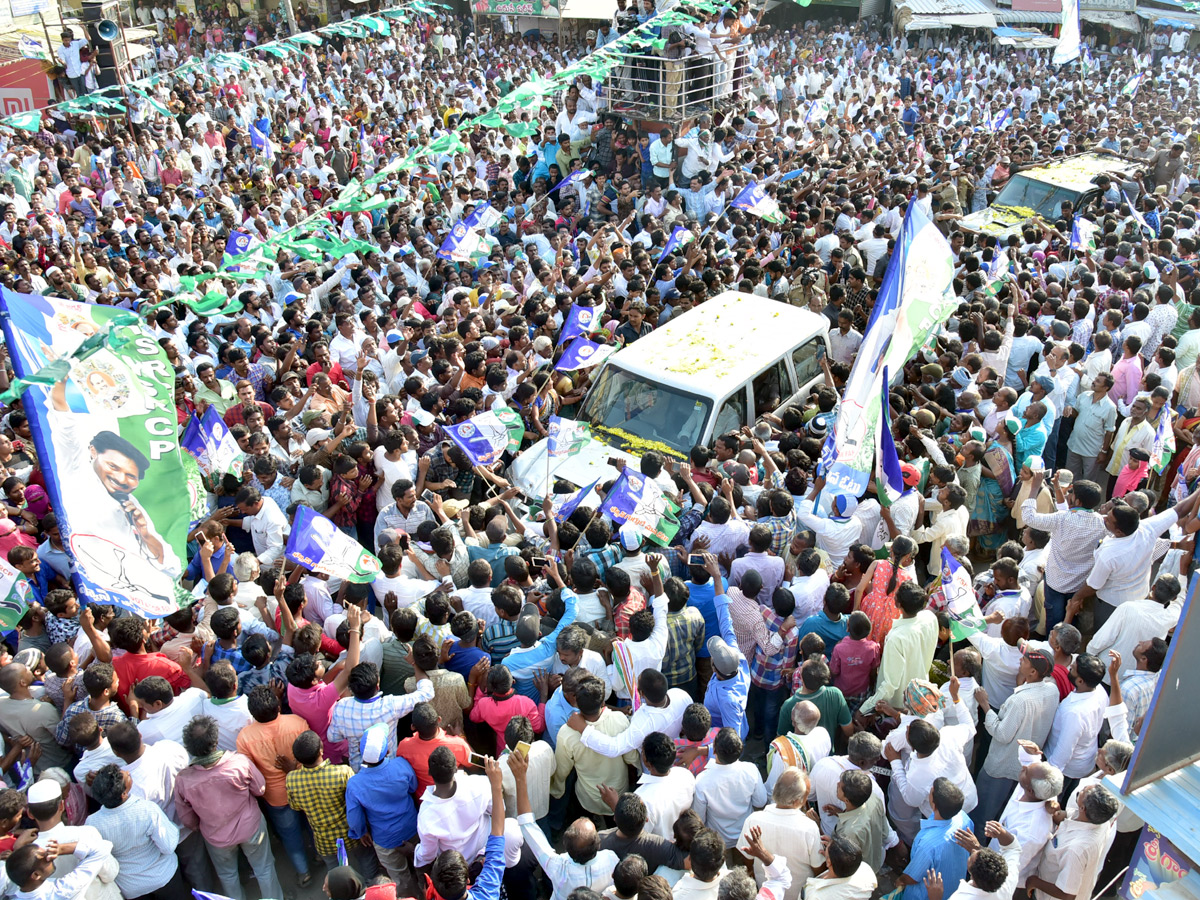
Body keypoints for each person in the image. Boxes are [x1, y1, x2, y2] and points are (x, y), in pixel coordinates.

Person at [172, 716, 283, 900]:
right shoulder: (239, 762)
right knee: (264, 868)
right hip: (251, 829)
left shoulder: (184, 780)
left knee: (228, 876)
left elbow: (188, 819)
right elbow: (260, 788)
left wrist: (201, 825)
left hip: (216, 837)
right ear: (215, 741)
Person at [508, 748, 618, 900]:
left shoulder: (558, 867)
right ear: (598, 845)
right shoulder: (611, 859)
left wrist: (520, 778)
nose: (582, 818)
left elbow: (527, 825)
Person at [86, 765, 185, 900]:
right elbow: (168, 846)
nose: (128, 771)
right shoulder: (146, 810)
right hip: (163, 877)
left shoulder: (92, 823)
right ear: (124, 793)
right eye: (127, 776)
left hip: (130, 887)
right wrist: (173, 827)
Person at [345, 724, 420, 896]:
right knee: (421, 864)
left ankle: (410, 897)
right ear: (387, 752)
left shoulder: (355, 784)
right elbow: (413, 786)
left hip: (385, 839)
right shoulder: (401, 765)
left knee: (400, 877)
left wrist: (361, 832)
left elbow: (354, 819)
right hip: (412, 827)